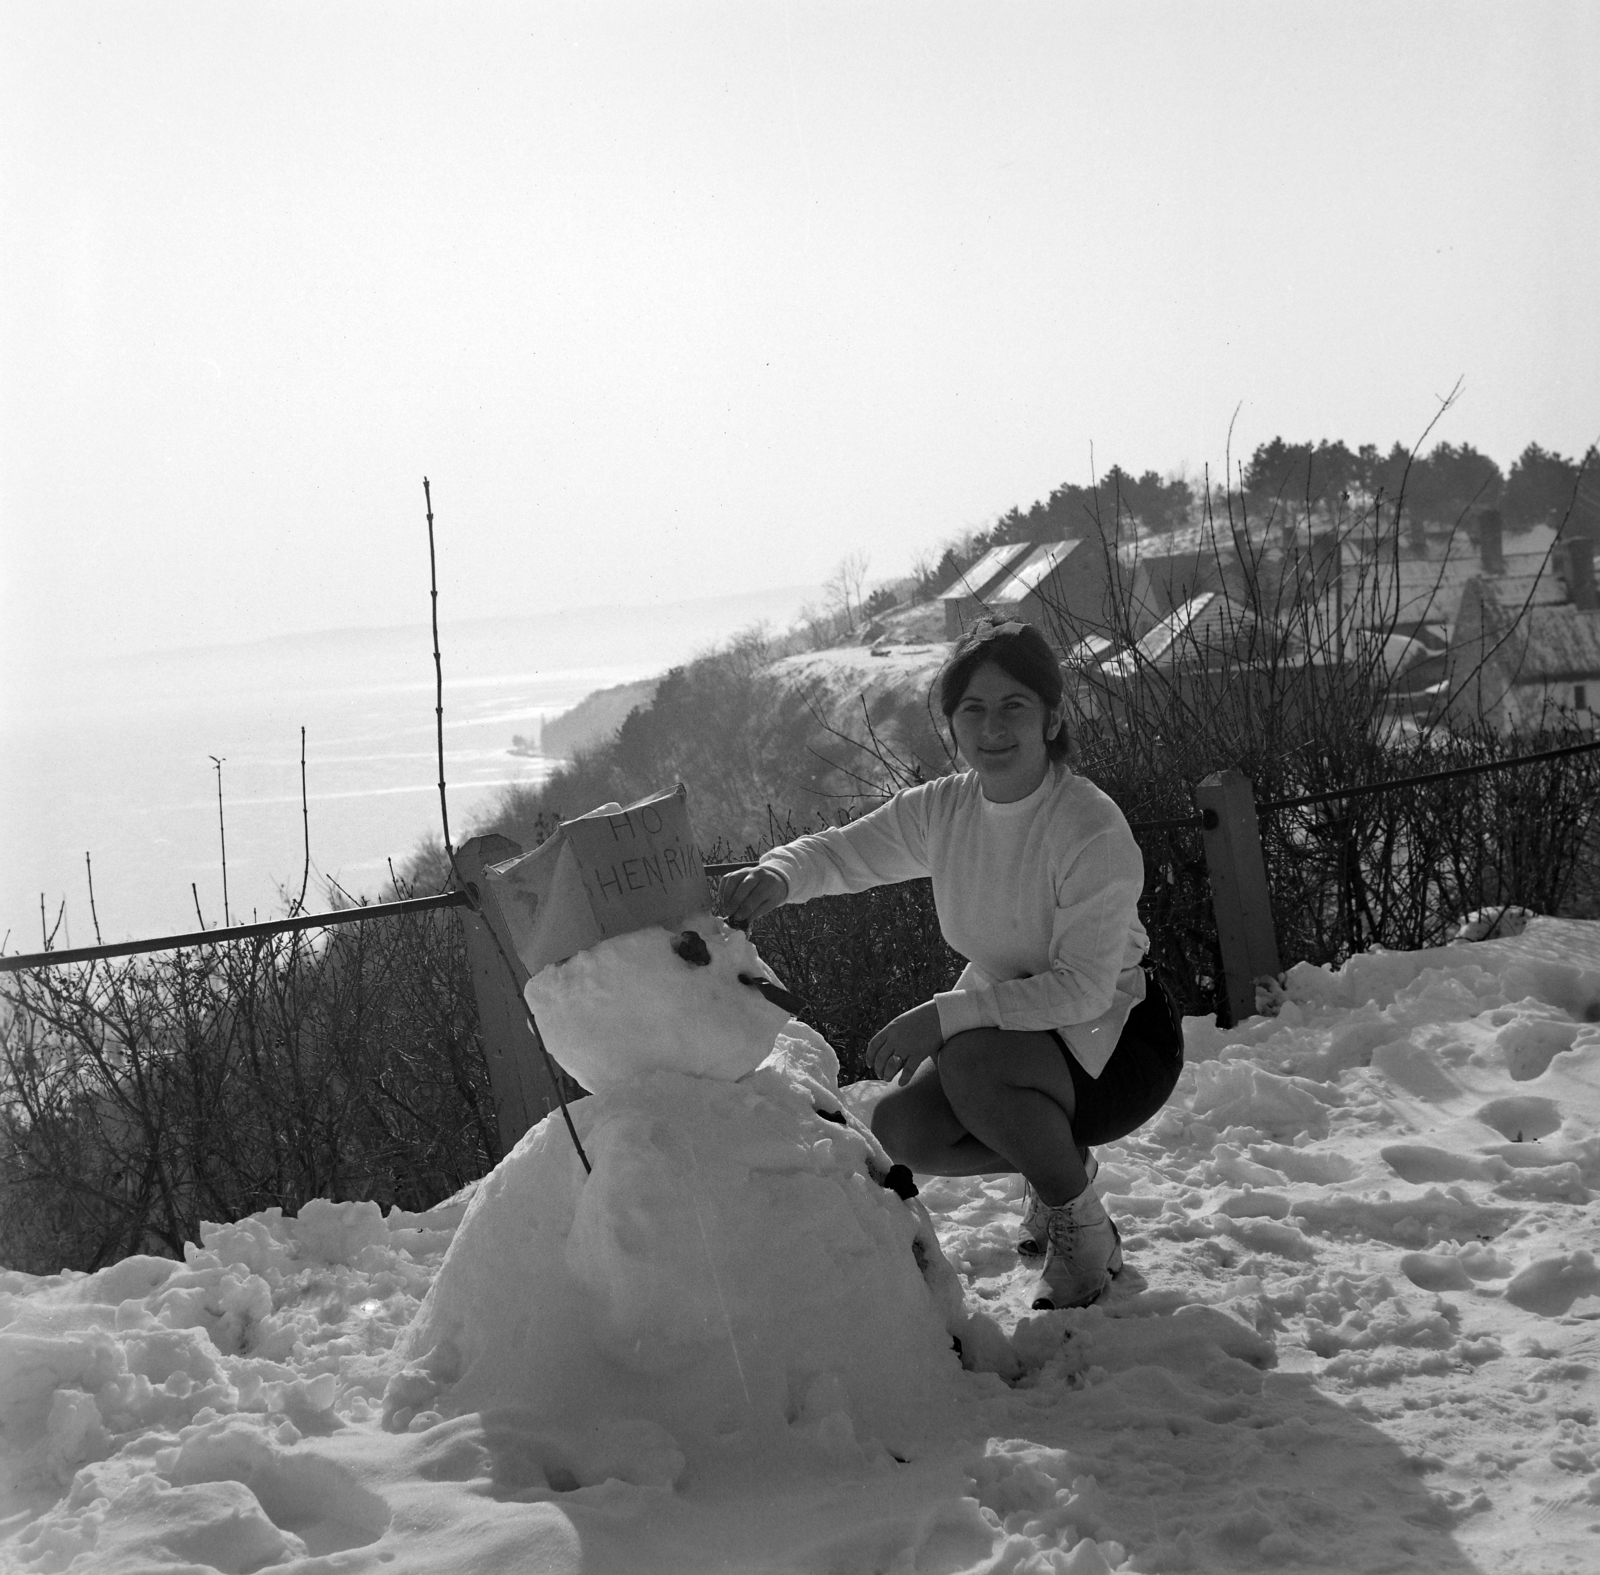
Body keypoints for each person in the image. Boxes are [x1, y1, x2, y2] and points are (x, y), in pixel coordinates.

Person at [718, 617, 1183, 1309]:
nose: (992, 727)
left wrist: (944, 1015)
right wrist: (779, 874)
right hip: (1017, 1040)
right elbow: (846, 852)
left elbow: (1084, 988)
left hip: (1118, 1038)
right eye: (973, 709)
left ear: (1052, 717)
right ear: (952, 724)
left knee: (968, 1059)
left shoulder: (1089, 825)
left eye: (1013, 706)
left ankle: (1083, 1235)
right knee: (903, 1129)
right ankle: (1061, 1167)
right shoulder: (948, 808)